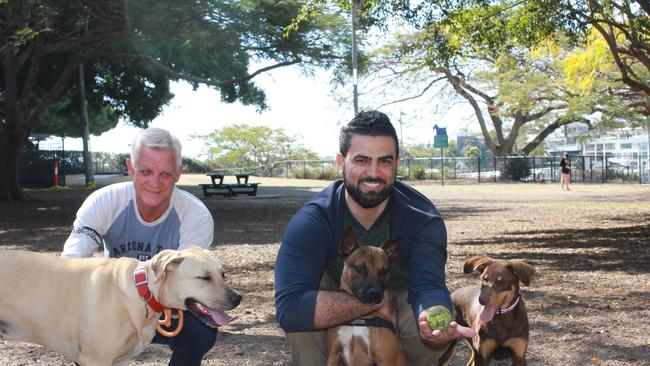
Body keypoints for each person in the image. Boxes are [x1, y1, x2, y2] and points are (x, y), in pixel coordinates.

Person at [274, 110, 474, 365]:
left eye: (385, 161)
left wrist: (434, 314)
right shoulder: (313, 220)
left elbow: (428, 285)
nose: (374, 172)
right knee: (301, 323)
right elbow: (289, 308)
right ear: (340, 161)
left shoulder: (423, 219)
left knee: (422, 329)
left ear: (397, 163)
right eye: (361, 160)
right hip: (338, 289)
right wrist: (374, 303)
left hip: (401, 294)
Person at [62, 127, 216, 366]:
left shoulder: (195, 216)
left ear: (179, 173)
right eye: (145, 171)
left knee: (201, 330)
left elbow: (186, 283)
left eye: (166, 173)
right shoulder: (105, 201)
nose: (155, 183)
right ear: (130, 168)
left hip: (167, 308)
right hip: (114, 303)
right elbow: (71, 265)